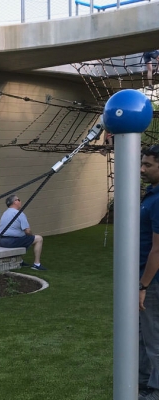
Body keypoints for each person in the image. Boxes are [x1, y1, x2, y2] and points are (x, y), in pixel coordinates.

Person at [138, 145, 159, 400]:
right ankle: (144, 380)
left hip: (151, 279)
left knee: (153, 336)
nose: (142, 169)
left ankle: (155, 390)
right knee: (142, 332)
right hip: (144, 277)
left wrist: (143, 286)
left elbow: (157, 249)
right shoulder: (151, 194)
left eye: (148, 165)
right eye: (142, 163)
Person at [0, 194, 46, 271]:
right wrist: (31, 235)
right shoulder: (19, 213)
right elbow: (27, 231)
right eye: (18, 200)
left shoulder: (5, 213)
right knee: (38, 238)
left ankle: (20, 261)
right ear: (15, 202)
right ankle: (37, 264)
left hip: (1, 241)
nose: (20, 201)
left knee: (25, 238)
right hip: (11, 241)